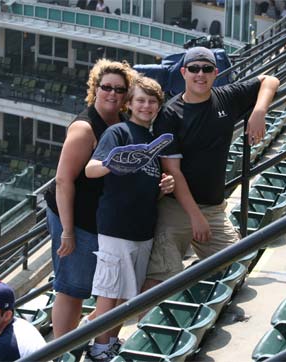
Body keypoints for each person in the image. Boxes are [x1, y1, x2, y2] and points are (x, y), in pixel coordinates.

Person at [143, 46, 280, 289]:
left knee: (235, 268)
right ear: (183, 72)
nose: (200, 74)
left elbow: (270, 79)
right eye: (194, 69)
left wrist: (259, 112)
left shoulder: (227, 96)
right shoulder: (169, 114)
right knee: (160, 281)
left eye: (207, 69)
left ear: (215, 72)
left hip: (214, 208)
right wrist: (196, 217)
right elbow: (173, 170)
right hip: (176, 208)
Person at [44, 59, 137, 338]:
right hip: (74, 218)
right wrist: (68, 233)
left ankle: (86, 334)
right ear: (95, 89)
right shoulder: (84, 129)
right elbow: (63, 181)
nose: (112, 94)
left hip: (102, 220)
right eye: (106, 87)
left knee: (106, 286)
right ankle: (59, 350)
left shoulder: (123, 123)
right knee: (73, 288)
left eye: (119, 90)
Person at [84, 76, 174, 361]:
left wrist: (164, 187)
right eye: (140, 101)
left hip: (143, 229)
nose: (146, 106)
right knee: (109, 294)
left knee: (126, 296)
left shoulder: (153, 140)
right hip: (116, 227)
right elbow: (90, 169)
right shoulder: (119, 132)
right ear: (129, 104)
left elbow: (147, 185)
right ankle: (99, 349)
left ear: (158, 107)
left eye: (152, 102)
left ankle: (110, 343)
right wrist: (112, 164)